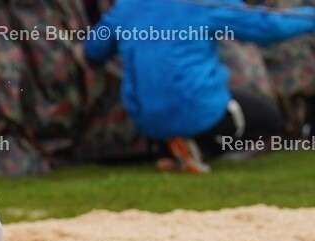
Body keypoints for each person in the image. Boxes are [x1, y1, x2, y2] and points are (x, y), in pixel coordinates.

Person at [84, 0, 315, 172]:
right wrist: (309, 16)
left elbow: (94, 49)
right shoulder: (203, 2)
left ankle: (173, 149)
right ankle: (204, 150)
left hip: (146, 120)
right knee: (268, 118)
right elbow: (267, 28)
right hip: (197, 112)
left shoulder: (126, 6)